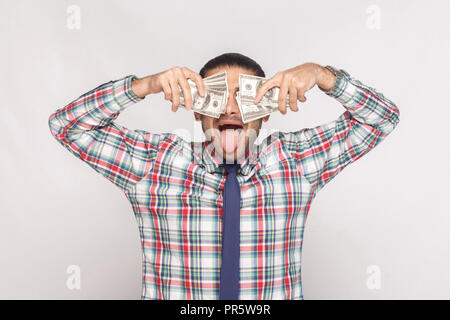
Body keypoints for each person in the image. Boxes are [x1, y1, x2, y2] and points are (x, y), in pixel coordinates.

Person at [48, 52, 400, 300]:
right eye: (217, 96)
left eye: (244, 97)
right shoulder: (155, 163)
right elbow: (67, 126)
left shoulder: (295, 161)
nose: (230, 108)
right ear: (198, 110)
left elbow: (381, 118)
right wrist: (148, 85)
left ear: (265, 113)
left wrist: (322, 75)